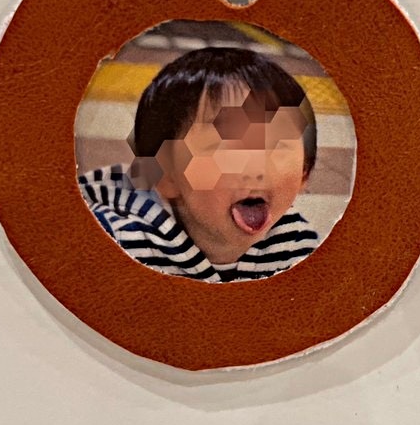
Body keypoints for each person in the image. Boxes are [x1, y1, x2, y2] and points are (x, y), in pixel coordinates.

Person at [78, 46, 320, 282]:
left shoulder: (296, 246)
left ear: (304, 172)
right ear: (167, 175)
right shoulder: (118, 244)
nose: (257, 167)